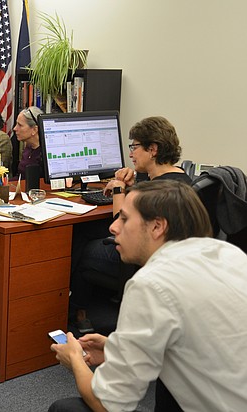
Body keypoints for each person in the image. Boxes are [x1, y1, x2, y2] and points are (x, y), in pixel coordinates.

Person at [49, 180, 247, 412]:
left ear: (157, 227)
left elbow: (107, 404)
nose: (113, 228)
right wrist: (117, 348)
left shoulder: (152, 284)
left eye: (124, 218)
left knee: (66, 409)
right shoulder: (229, 254)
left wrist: (74, 359)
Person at [70, 116, 192, 333]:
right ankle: (80, 307)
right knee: (87, 231)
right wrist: (135, 182)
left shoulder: (154, 192)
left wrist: (118, 188)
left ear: (152, 149)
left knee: (78, 240)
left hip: (138, 258)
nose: (130, 153)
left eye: (135, 147)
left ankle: (76, 309)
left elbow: (121, 227)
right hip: (167, 261)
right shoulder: (180, 179)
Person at [12, 106, 44, 179]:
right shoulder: (28, 147)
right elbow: (21, 177)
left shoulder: (43, 155)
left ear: (34, 130)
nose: (15, 128)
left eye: (20, 125)